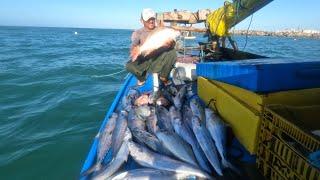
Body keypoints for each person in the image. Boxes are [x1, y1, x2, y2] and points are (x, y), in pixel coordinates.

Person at [125, 8, 177, 86]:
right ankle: (142, 79)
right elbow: (134, 45)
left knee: (172, 52)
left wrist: (169, 44)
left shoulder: (161, 29)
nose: (151, 21)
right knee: (128, 65)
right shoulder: (137, 33)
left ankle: (163, 77)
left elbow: (171, 44)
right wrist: (135, 49)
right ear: (141, 21)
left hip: (158, 60)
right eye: (148, 19)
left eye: (152, 18)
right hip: (145, 60)